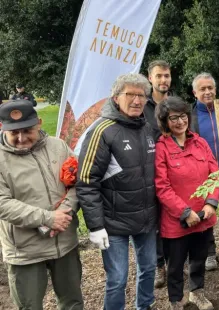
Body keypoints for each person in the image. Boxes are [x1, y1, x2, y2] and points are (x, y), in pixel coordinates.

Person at [76, 73, 157, 310]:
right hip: (114, 223)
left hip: (146, 219)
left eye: (141, 95)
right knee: (117, 279)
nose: (136, 100)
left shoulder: (147, 129)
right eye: (130, 94)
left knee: (149, 268)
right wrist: (95, 225)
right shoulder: (102, 131)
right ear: (115, 97)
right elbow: (87, 181)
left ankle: (145, 306)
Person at [0, 100, 83, 309]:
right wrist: (47, 218)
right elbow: (2, 203)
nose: (21, 138)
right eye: (14, 133)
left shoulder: (58, 146)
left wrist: (66, 210)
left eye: (27, 130)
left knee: (72, 303)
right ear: (3, 128)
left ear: (39, 123)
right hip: (25, 251)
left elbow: (77, 182)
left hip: (64, 243)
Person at [155, 96, 219, 310]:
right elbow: (162, 186)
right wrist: (185, 212)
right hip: (176, 222)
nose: (180, 122)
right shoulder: (162, 147)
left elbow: (215, 174)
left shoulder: (200, 142)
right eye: (173, 118)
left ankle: (197, 293)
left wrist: (210, 203)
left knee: (199, 258)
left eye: (183, 116)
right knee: (174, 266)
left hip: (203, 216)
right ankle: (175, 300)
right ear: (165, 121)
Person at [190, 72, 219, 270]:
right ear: (195, 93)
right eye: (203, 89)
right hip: (204, 176)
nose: (207, 92)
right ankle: (210, 252)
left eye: (210, 88)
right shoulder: (190, 117)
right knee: (207, 213)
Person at [145, 60, 172, 288]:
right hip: (148, 171)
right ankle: (158, 265)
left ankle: (175, 261)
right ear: (150, 78)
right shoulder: (141, 106)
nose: (163, 80)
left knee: (172, 215)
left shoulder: (175, 105)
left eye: (166, 76)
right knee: (154, 220)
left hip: (173, 170)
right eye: (159, 76)